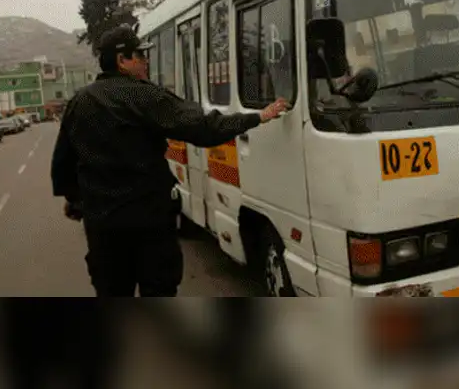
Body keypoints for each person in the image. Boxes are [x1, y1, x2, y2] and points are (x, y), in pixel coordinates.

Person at [52, 24, 289, 297]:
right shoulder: (144, 95)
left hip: (103, 229)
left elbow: (63, 163)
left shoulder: (79, 102)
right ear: (122, 60)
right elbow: (203, 128)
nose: (146, 61)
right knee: (159, 290)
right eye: (140, 55)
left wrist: (74, 199)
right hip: (149, 223)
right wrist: (257, 116)